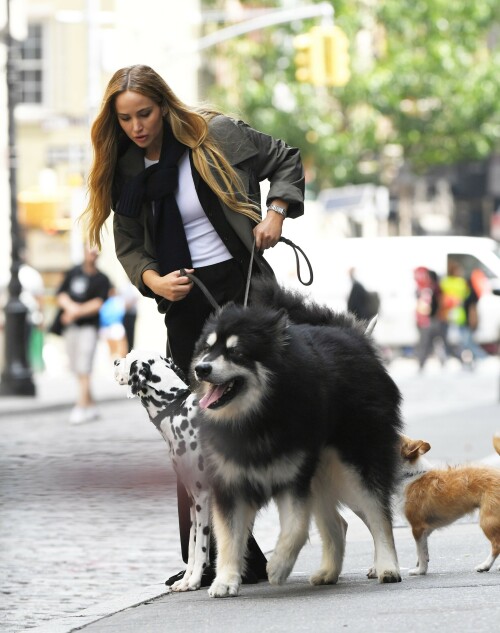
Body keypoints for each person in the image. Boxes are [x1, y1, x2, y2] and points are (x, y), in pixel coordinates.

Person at [82, 64, 305, 586]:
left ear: (164, 105)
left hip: (243, 284)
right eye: (126, 118)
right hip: (183, 301)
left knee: (280, 403)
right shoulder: (128, 170)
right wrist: (154, 281)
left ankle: (305, 512)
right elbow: (131, 245)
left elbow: (284, 159)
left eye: (145, 114)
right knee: (195, 428)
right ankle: (214, 560)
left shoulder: (216, 135)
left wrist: (275, 211)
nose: (137, 126)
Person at [55, 244, 111, 424]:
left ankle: (81, 406)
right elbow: (61, 294)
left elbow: (98, 302)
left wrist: (76, 311)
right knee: (76, 368)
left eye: (96, 251)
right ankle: (91, 405)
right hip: (71, 327)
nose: (92, 254)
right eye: (90, 250)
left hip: (89, 327)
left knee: (84, 366)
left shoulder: (102, 279)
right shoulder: (73, 272)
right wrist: (70, 309)